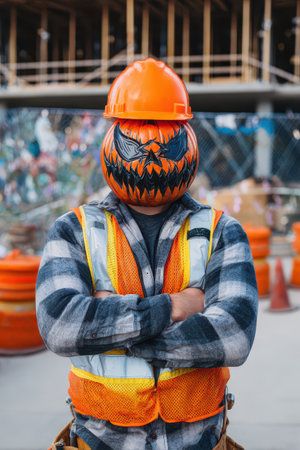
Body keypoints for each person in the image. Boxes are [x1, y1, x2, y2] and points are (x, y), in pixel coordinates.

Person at [36, 58, 258, 450]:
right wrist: (173, 306)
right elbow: (59, 326)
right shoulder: (73, 230)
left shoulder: (222, 231)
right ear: (113, 139)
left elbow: (234, 335)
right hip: (100, 440)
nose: (150, 156)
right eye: (134, 141)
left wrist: (109, 327)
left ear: (186, 140)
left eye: (165, 140)